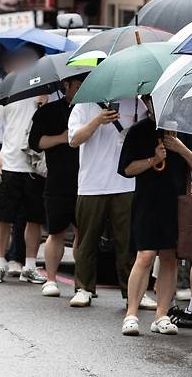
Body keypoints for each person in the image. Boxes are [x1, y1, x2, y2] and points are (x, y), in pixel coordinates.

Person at [118, 95, 192, 336]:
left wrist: (179, 148)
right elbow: (127, 168)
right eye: (154, 99)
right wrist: (153, 159)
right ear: (147, 101)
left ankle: (162, 315)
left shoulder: (182, 129)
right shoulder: (139, 130)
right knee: (145, 255)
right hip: (147, 202)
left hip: (176, 204)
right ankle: (131, 314)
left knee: (170, 257)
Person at [67, 99, 142, 308]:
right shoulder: (84, 105)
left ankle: (133, 293)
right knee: (87, 239)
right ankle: (84, 288)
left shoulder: (135, 103)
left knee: (127, 242)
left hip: (125, 182)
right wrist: (97, 121)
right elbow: (73, 139)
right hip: (92, 183)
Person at [0, 45, 48, 284]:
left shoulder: (47, 90)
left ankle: (30, 265)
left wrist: (44, 104)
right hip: (9, 162)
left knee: (34, 218)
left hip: (34, 165)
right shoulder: (8, 87)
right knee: (3, 216)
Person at [27, 74, 84, 297]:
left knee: (83, 233)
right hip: (58, 180)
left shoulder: (92, 110)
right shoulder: (48, 112)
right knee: (56, 231)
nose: (80, 92)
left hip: (86, 181)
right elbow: (35, 143)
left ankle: (82, 282)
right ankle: (50, 279)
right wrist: (62, 138)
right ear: (66, 86)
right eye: (77, 87)